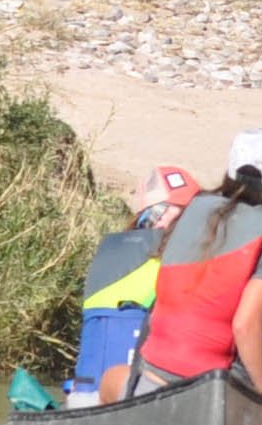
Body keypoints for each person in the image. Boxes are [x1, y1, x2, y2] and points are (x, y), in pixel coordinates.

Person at [124, 132, 262, 414]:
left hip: (150, 375)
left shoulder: (191, 213)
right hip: (214, 389)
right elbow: (245, 326)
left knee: (113, 376)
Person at [68, 166, 198, 405]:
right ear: (157, 215)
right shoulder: (171, 259)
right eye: (185, 214)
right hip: (120, 398)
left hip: (88, 394)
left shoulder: (116, 251)